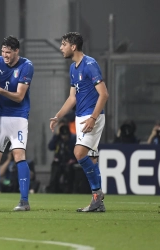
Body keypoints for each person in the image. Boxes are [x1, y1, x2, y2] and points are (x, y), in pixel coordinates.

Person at [50, 32, 109, 212]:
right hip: (81, 116)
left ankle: (97, 194)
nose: (61, 48)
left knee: (78, 152)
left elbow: (104, 94)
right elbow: (72, 98)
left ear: (73, 47)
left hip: (92, 116)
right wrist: (58, 116)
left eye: (63, 44)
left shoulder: (90, 65)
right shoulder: (73, 68)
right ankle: (97, 200)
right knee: (91, 157)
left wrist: (93, 118)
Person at [0, 35, 34, 211]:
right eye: (3, 51)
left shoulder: (26, 66)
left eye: (8, 52)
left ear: (16, 51)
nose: (5, 55)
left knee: (19, 154)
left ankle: (24, 201)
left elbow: (19, 96)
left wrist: (0, 89)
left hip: (19, 116)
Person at [46, 122, 77, 193]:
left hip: (69, 162)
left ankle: (69, 191)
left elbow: (76, 151)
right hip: (59, 161)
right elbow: (50, 147)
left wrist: (72, 159)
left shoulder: (73, 138)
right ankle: (53, 190)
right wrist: (56, 136)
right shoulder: (57, 138)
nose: (64, 137)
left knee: (69, 174)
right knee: (55, 173)